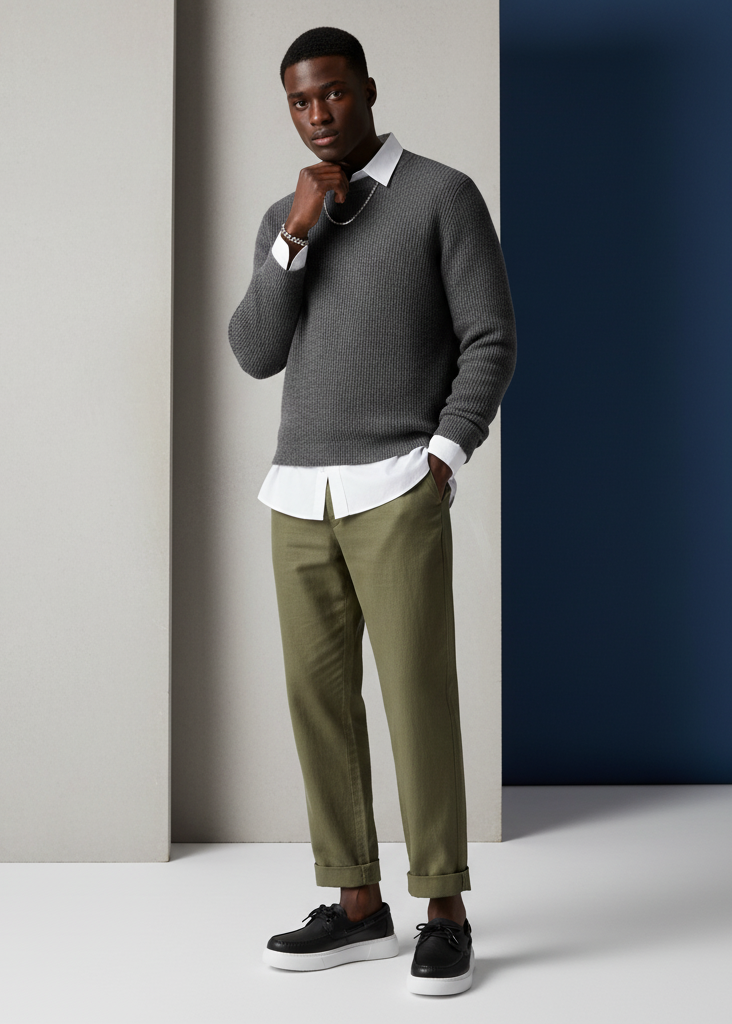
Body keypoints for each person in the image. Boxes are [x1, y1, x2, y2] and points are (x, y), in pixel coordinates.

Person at [228, 26, 516, 996]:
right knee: (316, 701)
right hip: (296, 493)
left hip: (396, 485)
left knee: (417, 697)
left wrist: (444, 453)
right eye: (300, 102)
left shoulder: (442, 195)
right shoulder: (287, 214)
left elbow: (490, 337)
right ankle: (356, 903)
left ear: (369, 89)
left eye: (334, 93)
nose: (318, 115)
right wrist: (294, 236)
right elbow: (254, 350)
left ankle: (445, 908)